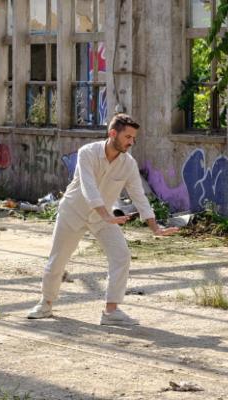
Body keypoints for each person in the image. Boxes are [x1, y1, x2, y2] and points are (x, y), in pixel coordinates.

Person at [27, 113, 178, 325]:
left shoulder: (128, 164)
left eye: (133, 138)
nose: (131, 142)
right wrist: (107, 215)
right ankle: (45, 304)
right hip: (74, 212)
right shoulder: (87, 153)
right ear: (113, 133)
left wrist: (155, 228)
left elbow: (139, 196)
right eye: (128, 137)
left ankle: (111, 311)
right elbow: (89, 188)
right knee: (58, 259)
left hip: (104, 218)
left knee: (121, 256)